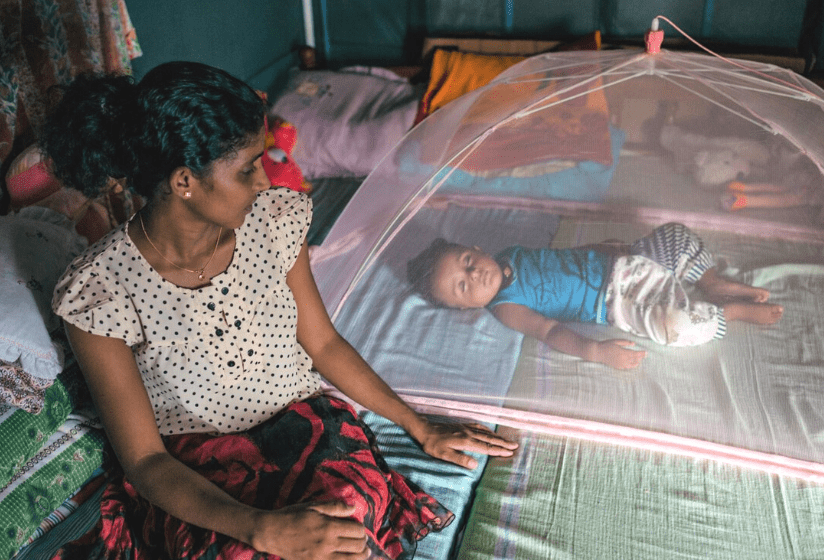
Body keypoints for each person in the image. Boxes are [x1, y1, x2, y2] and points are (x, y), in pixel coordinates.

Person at [44, 62, 517, 560]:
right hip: (195, 472)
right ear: (185, 182)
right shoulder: (99, 292)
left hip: (303, 430)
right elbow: (144, 460)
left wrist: (418, 426)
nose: (263, 179)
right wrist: (259, 529)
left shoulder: (273, 222)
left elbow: (324, 343)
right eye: (248, 167)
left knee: (345, 520)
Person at [407, 223, 783, 370]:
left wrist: (604, 246)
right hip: (620, 299)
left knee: (675, 236)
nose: (474, 274)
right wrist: (596, 352)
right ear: (464, 307)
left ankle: (712, 280)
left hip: (624, 259)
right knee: (674, 326)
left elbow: (565, 256)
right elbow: (550, 330)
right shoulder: (505, 308)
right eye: (463, 286)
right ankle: (726, 312)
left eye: (468, 261)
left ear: (475, 246)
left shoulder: (510, 252)